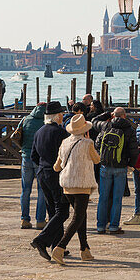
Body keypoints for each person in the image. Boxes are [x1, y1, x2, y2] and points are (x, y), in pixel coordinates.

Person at [43, 113, 100, 263]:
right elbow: (96, 160)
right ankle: (60, 248)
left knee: (81, 216)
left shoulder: (65, 142)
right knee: (77, 218)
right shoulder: (88, 143)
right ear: (85, 130)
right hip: (82, 185)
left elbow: (57, 167)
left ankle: (85, 249)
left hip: (67, 185)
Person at [30, 101, 68, 260]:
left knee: (53, 210)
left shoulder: (39, 131)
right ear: (58, 116)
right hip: (55, 174)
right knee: (63, 211)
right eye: (62, 114)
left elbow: (34, 156)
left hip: (42, 173)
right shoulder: (60, 133)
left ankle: (57, 246)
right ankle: (42, 240)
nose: (63, 117)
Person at [94, 107, 138, 234]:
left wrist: (107, 114)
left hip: (105, 166)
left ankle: (100, 226)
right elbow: (134, 151)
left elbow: (94, 121)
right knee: (117, 198)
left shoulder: (106, 125)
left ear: (114, 115)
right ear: (124, 116)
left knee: (103, 197)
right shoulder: (129, 129)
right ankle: (113, 226)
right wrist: (131, 165)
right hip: (121, 167)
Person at [17, 102, 48, 228]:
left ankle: (24, 219)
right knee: (42, 190)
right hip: (40, 159)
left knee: (26, 190)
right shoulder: (45, 122)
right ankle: (40, 220)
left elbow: (18, 134)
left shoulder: (26, 119)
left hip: (26, 157)